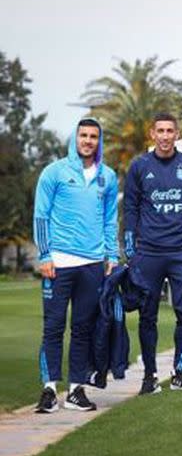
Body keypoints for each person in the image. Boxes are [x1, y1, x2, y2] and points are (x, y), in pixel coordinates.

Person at [33, 117, 119, 413]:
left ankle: (75, 390)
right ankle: (48, 390)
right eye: (83, 135)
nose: (88, 141)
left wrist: (113, 255)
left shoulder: (107, 176)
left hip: (93, 264)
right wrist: (44, 255)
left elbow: (110, 219)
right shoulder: (54, 172)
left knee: (83, 328)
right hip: (59, 262)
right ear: (75, 138)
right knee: (53, 327)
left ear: (99, 141)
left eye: (93, 136)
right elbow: (41, 215)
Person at [123, 112, 182, 394]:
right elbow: (131, 208)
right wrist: (130, 247)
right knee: (147, 316)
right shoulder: (139, 166)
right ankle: (150, 376)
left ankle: (180, 371)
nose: (165, 136)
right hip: (148, 253)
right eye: (160, 130)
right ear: (152, 134)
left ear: (177, 134)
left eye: (170, 130)